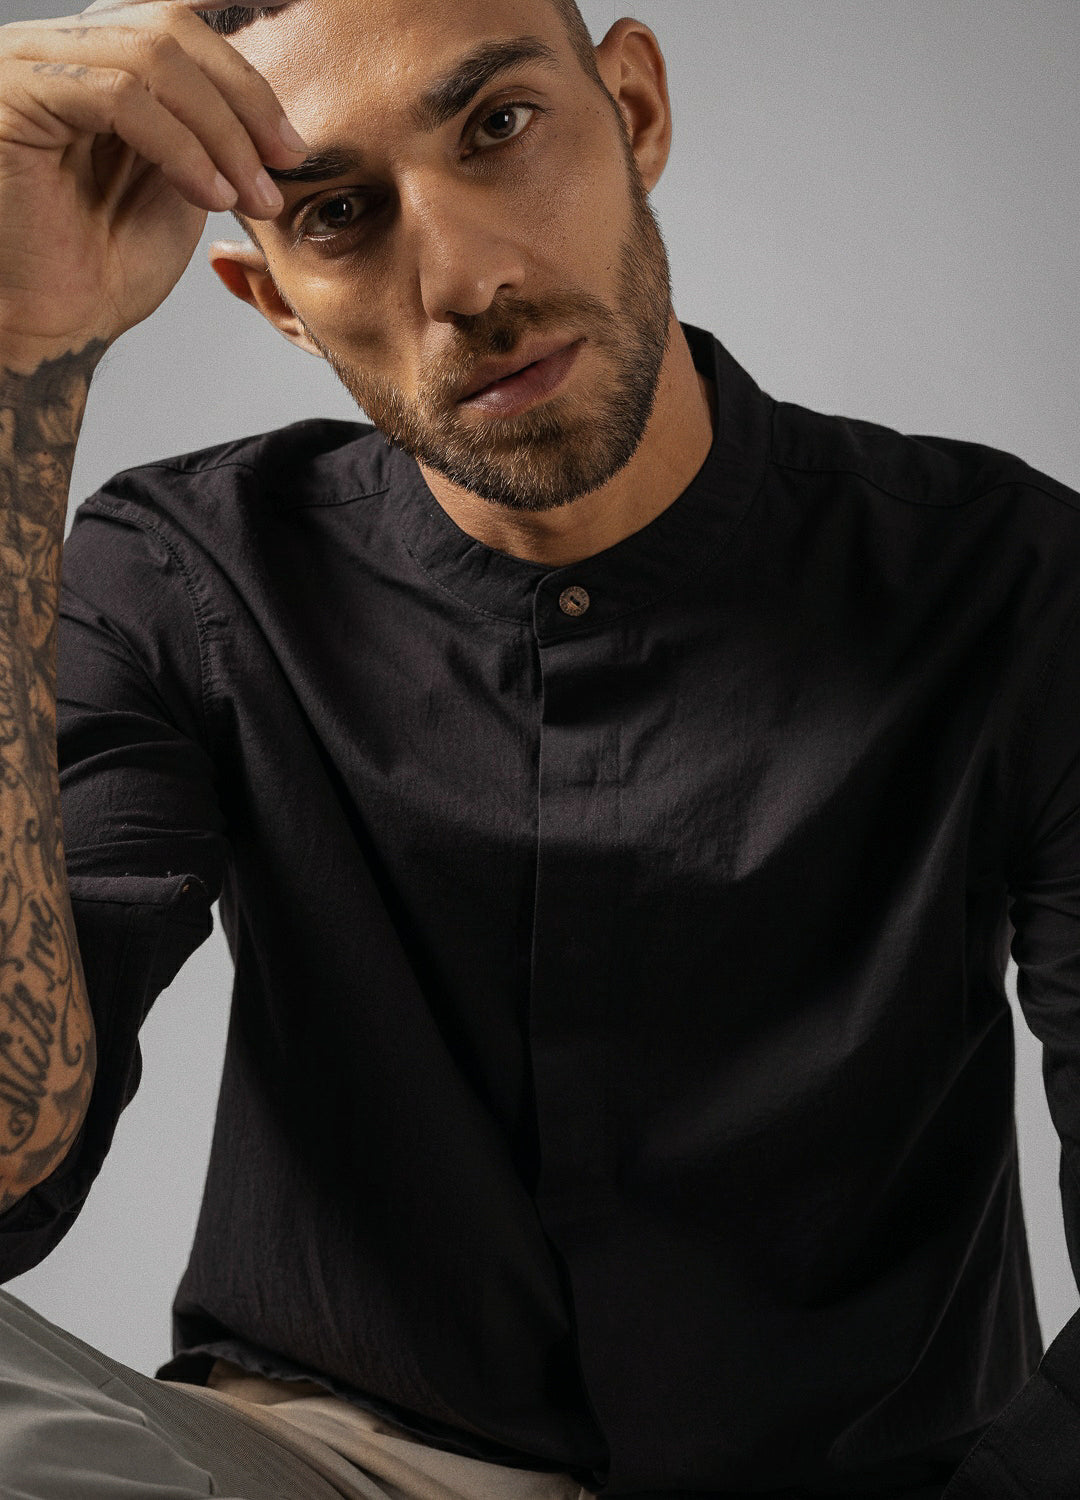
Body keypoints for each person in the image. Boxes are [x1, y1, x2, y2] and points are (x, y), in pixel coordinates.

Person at [0, 0, 1078, 1495]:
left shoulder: (1012, 580)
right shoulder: (191, 573)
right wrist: (16, 362)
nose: (467, 281)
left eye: (499, 127)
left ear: (633, 109)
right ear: (274, 299)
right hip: (329, 1467)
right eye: (337, 213)